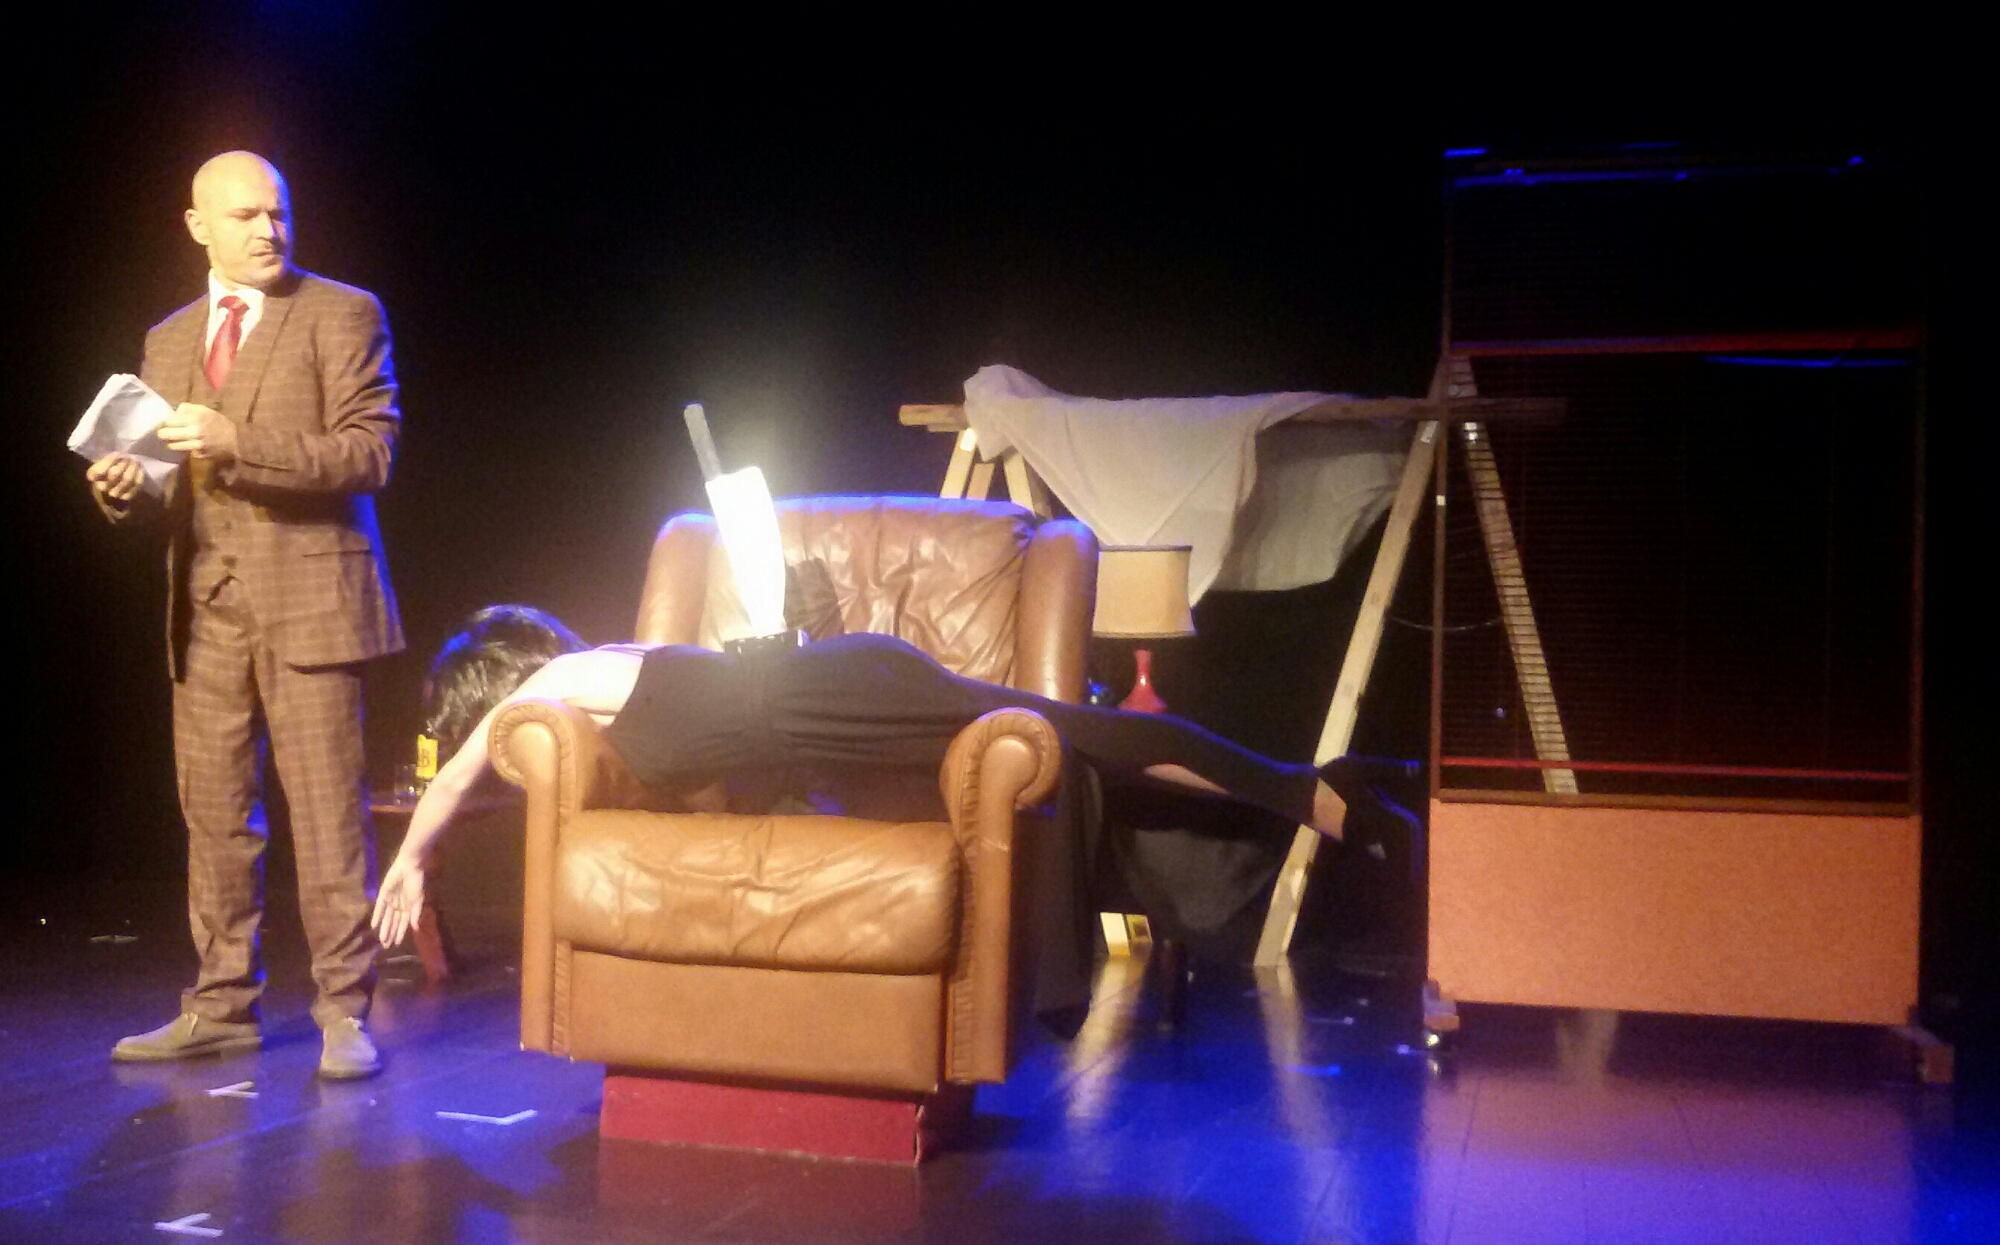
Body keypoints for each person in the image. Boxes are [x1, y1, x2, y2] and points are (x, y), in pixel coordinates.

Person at [371, 605, 1416, 949]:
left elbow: (462, 770)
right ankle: (1308, 798)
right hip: (826, 706)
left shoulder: (558, 684)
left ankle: (1313, 793)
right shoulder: (605, 702)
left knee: (1082, 733)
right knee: (1075, 745)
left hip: (836, 691)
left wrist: (416, 854)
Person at [86, 152, 403, 1080]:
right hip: (207, 608)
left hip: (311, 600)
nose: (269, 231)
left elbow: (369, 453)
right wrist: (122, 487)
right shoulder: (170, 339)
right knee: (217, 814)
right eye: (246, 216)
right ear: (198, 227)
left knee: (328, 814)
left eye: (279, 213)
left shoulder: (343, 312)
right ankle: (221, 1005)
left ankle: (344, 1011)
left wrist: (237, 441)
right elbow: (162, 479)